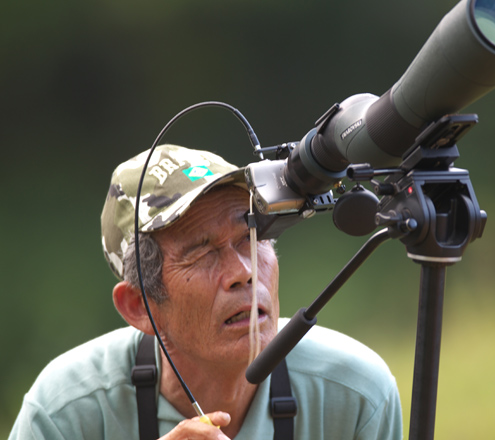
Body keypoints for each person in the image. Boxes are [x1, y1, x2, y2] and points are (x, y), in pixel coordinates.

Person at [9, 145, 403, 440]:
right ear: (139, 306)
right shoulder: (65, 413)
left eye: (252, 237)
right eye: (201, 253)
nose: (244, 272)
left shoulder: (355, 395)